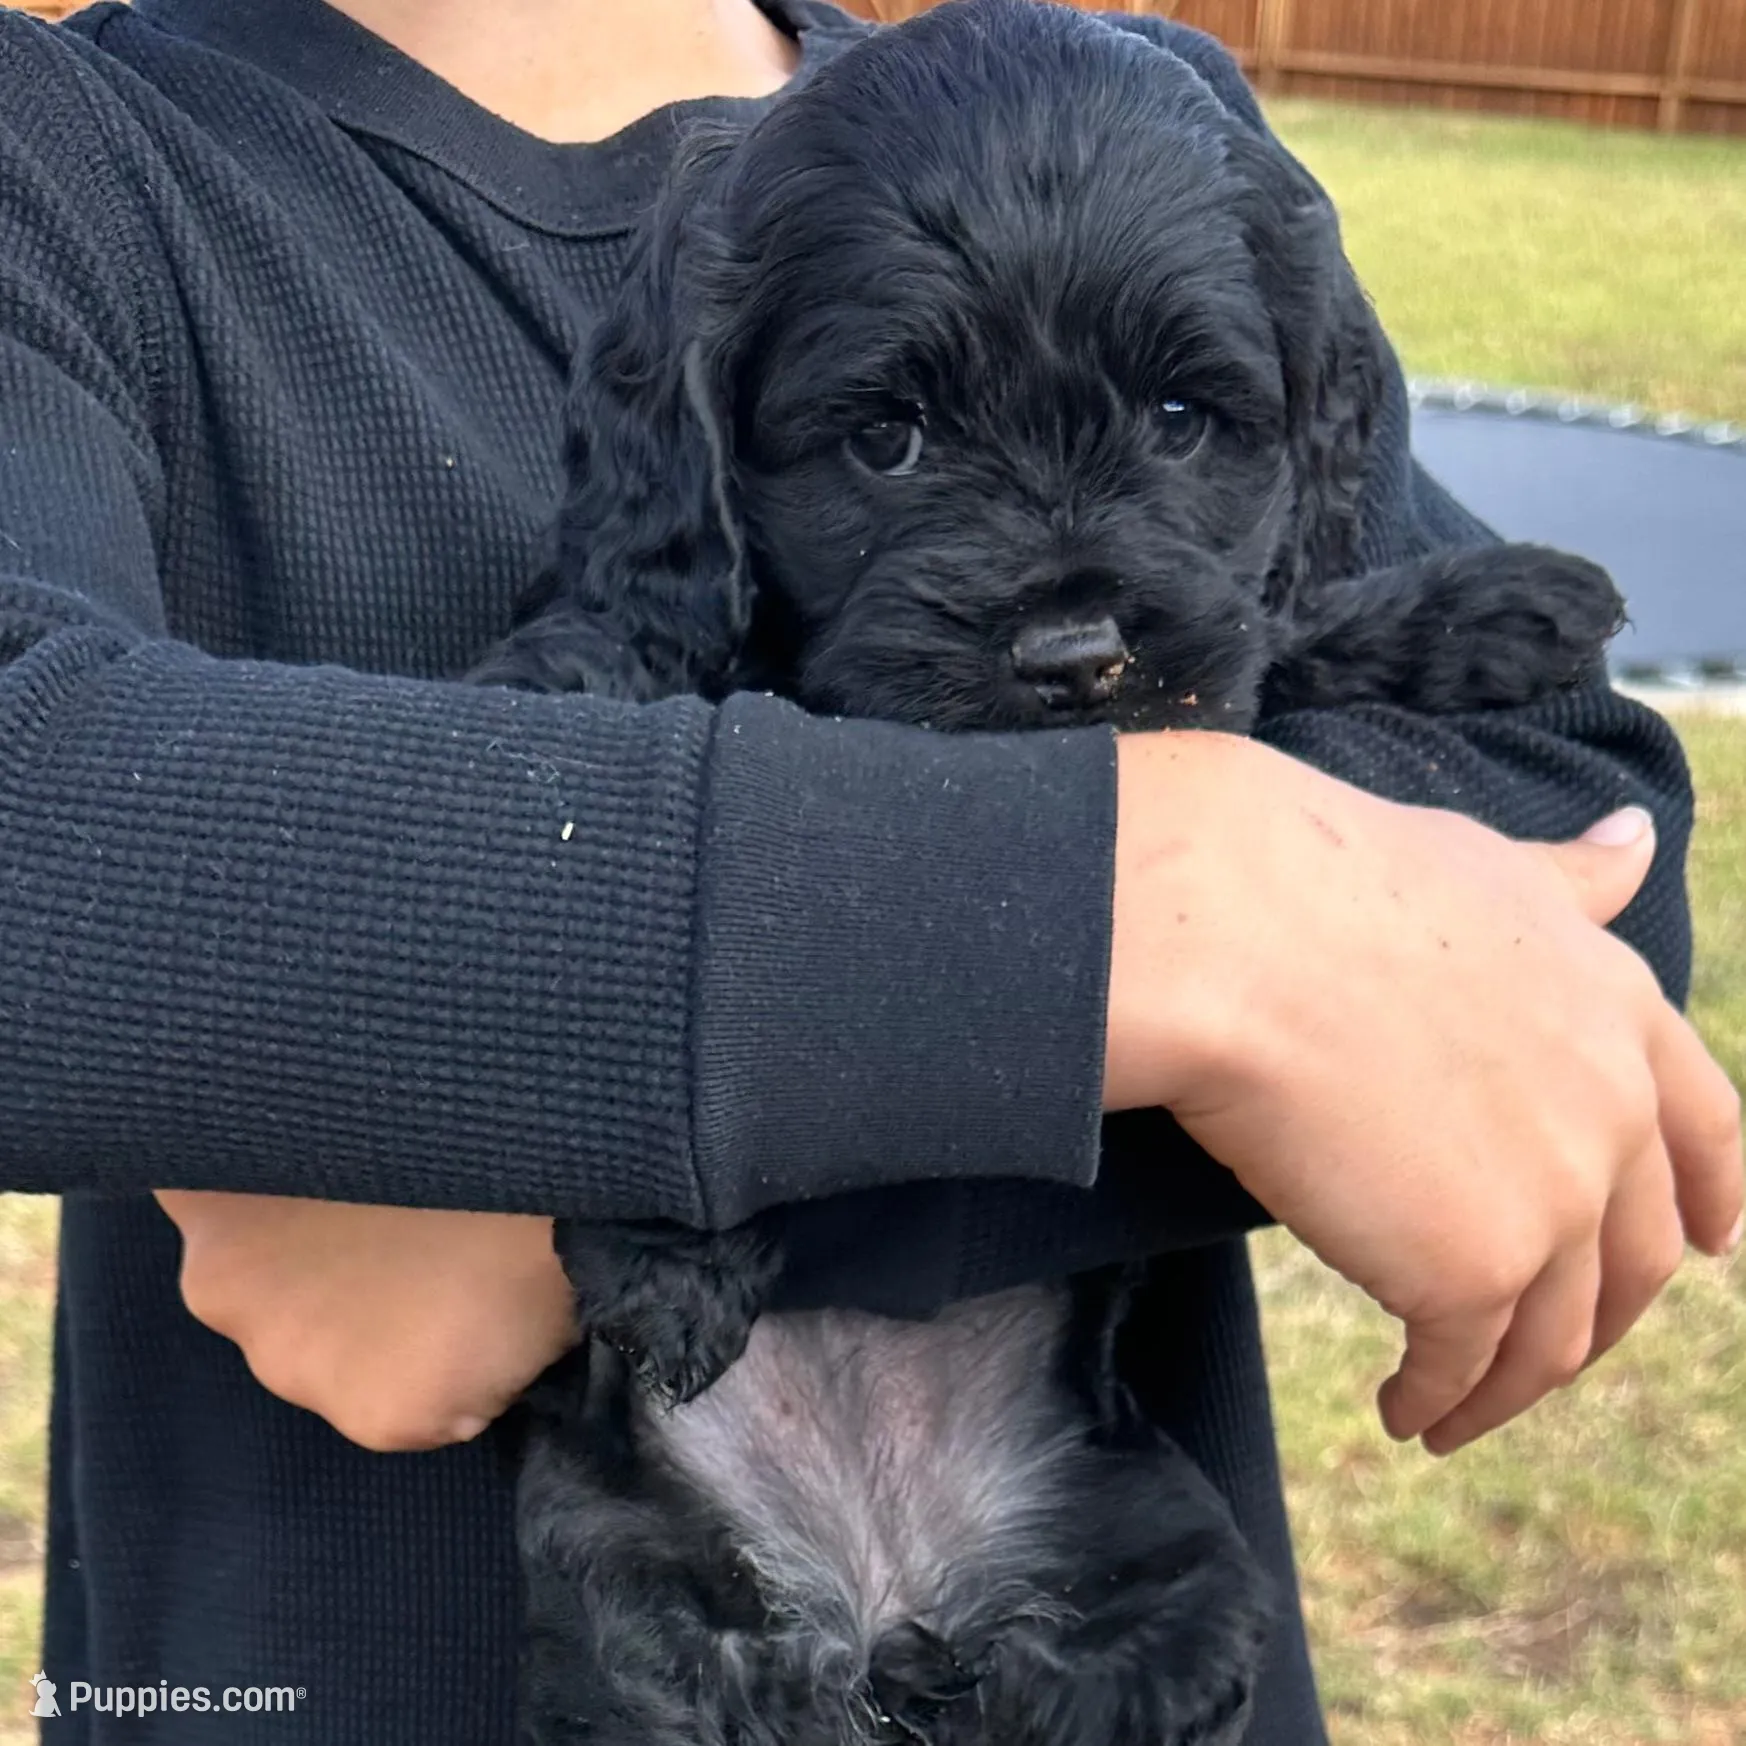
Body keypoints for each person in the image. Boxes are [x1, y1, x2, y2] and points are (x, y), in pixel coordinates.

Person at [0, 0, 1737, 1739]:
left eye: (1183, 415)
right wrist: (1176, 944)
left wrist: (544, 1159)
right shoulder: (60, 157)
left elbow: (1577, 842)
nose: (1072, 639)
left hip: (1101, 1608)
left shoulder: (1120, 105)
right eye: (889, 444)